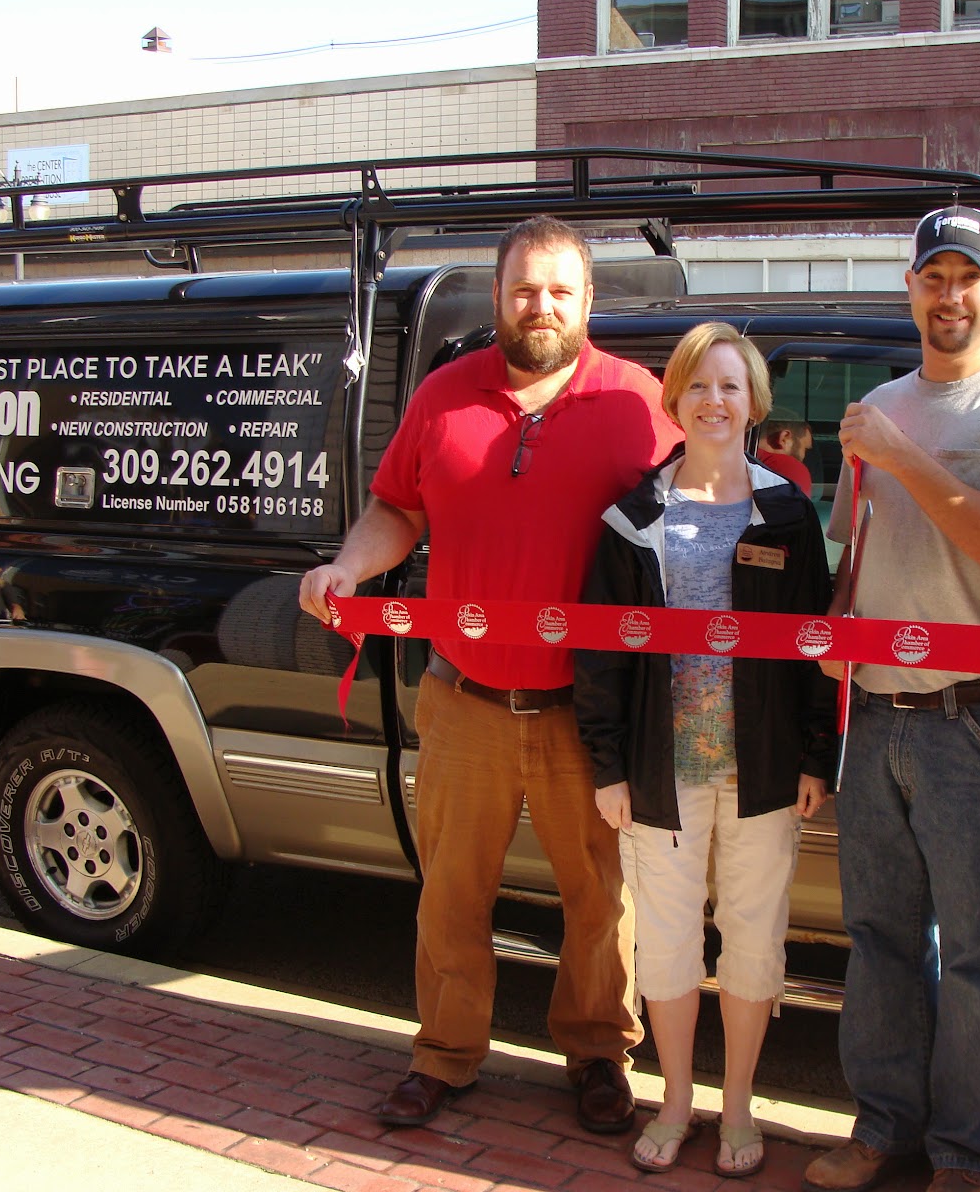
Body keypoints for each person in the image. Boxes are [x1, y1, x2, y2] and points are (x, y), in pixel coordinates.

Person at [298, 215, 682, 1132]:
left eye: (558, 290)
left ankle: (596, 1054)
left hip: (586, 716)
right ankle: (445, 1054)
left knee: (599, 901)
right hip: (462, 698)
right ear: (499, 297)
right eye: (523, 289)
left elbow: (695, 516)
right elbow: (397, 505)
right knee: (452, 894)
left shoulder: (639, 405)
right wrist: (352, 567)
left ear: (588, 301)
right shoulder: (443, 395)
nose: (539, 305)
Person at [802, 206, 980, 1192]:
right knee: (879, 939)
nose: (950, 294)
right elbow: (858, 552)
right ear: (912, 288)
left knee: (975, 952)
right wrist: (836, 628)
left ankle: (964, 1157)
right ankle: (885, 1129)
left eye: (970, 276)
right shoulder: (877, 406)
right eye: (934, 276)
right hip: (877, 713)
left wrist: (905, 458)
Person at [575, 323, 836, 1179]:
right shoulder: (633, 519)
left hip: (759, 772)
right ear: (674, 402)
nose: (715, 401)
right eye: (698, 386)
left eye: (730, 386)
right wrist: (608, 765)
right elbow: (602, 652)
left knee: (754, 942)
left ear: (753, 401)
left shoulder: (790, 515)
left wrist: (813, 757)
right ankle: (678, 1098)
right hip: (662, 771)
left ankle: (738, 1107)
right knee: (666, 942)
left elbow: (812, 650)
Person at [756, 410, 815, 496]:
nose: (804, 457)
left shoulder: (735, 458)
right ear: (784, 438)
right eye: (805, 449)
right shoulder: (790, 467)